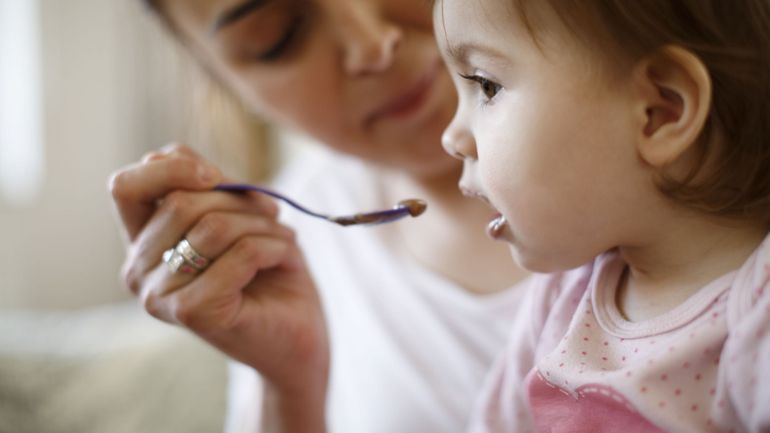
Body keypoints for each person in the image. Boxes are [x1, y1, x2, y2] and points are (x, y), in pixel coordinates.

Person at [109, 1, 530, 433]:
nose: (371, 46)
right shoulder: (277, 250)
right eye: (277, 36)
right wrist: (289, 388)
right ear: (229, 85)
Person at [435, 0, 770, 431]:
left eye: (486, 86)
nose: (452, 138)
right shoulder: (564, 293)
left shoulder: (754, 316)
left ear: (659, 112)